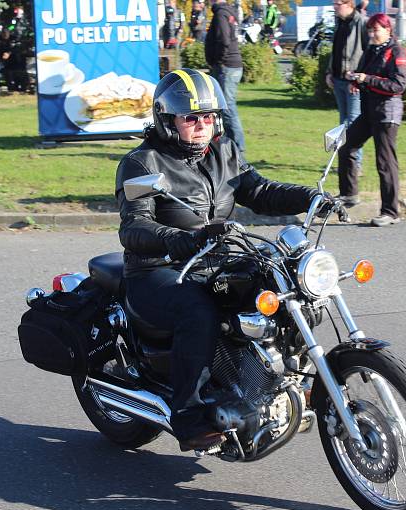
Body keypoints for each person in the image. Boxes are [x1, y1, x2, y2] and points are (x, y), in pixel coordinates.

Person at [115, 68, 329, 451]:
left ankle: (289, 379)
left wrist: (310, 197)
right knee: (199, 311)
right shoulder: (143, 163)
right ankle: (189, 414)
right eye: (191, 118)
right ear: (167, 120)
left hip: (217, 258)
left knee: (287, 282)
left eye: (209, 116)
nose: (201, 125)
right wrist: (186, 239)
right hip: (160, 270)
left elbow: (259, 190)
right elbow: (134, 228)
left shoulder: (223, 151)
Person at [338, 13, 406, 227]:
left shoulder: (398, 51)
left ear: (388, 30)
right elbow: (365, 74)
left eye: (376, 30)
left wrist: (366, 79)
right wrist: (356, 80)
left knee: (385, 162)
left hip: (387, 113)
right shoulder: (372, 49)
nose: (372, 34)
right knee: (346, 146)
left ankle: (390, 211)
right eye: (370, 30)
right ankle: (349, 194)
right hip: (369, 111)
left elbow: (398, 85)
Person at [326, 0, 369, 186]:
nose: (334, 7)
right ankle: (346, 161)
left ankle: (355, 164)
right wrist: (329, 72)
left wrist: (359, 78)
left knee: (353, 123)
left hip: (353, 83)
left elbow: (367, 52)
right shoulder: (340, 23)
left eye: (337, 4)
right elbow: (335, 51)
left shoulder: (360, 22)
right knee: (343, 122)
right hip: (338, 80)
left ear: (348, 4)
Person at [205, 0, 247, 154]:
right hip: (231, 65)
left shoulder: (221, 14)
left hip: (226, 66)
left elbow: (224, 40)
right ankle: (227, 144)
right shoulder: (229, 12)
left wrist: (218, 61)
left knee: (227, 107)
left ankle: (238, 146)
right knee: (223, 106)